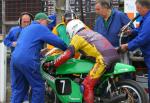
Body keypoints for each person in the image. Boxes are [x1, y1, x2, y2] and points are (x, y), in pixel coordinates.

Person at [43, 19, 120, 103]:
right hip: (114, 56)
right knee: (96, 84)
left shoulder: (78, 37)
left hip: (103, 60)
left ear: (71, 30)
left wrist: (53, 64)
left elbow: (67, 54)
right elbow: (89, 51)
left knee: (86, 85)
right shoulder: (92, 33)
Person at [11, 12, 67, 103]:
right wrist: (68, 49)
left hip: (15, 60)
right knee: (38, 87)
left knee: (20, 89)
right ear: (41, 21)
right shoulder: (40, 27)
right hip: (27, 60)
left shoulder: (26, 28)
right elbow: (57, 41)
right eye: (47, 22)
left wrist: (39, 52)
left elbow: (26, 46)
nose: (48, 25)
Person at [120, 0, 150, 101]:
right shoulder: (146, 18)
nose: (137, 11)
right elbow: (141, 30)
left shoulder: (149, 19)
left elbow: (143, 38)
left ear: (144, 8)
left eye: (138, 8)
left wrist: (127, 46)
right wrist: (131, 32)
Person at [3, 12, 34, 102]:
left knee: (26, 83)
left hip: (28, 61)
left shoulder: (33, 31)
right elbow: (6, 40)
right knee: (16, 85)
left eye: (28, 22)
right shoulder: (14, 30)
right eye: (24, 22)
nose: (26, 23)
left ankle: (25, 100)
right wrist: (12, 43)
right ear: (20, 21)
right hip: (15, 61)